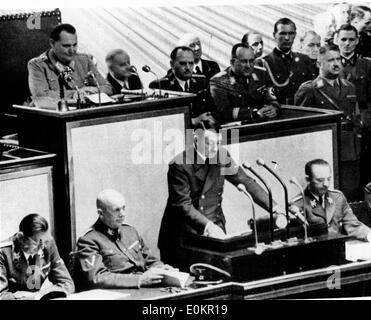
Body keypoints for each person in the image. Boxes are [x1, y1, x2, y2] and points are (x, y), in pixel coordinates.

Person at [158, 121, 287, 269]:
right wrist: (207, 226)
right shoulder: (180, 164)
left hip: (215, 227)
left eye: (218, 143)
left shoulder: (221, 155)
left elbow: (244, 181)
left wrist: (275, 207)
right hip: (186, 235)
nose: (214, 148)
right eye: (209, 143)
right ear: (195, 140)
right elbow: (182, 204)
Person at [294, 44, 361, 201]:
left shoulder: (349, 87)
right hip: (324, 149)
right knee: (327, 194)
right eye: (330, 60)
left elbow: (356, 118)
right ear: (319, 64)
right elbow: (301, 126)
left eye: (338, 59)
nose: (336, 63)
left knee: (351, 193)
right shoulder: (309, 89)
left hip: (349, 150)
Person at [74, 189, 173, 291]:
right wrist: (139, 279)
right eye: (116, 210)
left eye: (123, 208)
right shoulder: (88, 240)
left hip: (146, 289)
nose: (122, 214)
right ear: (101, 213)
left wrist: (161, 268)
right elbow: (97, 277)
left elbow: (149, 260)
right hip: (118, 293)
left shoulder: (130, 231)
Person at [289, 159, 371, 242]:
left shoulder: (337, 197)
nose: (326, 184)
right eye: (320, 180)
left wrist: (369, 235)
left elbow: (352, 225)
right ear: (308, 179)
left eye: (328, 179)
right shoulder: (297, 204)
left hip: (338, 248)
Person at [28, 23, 112, 100]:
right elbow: (41, 96)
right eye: (66, 46)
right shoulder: (38, 65)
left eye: (75, 45)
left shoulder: (84, 60)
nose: (72, 51)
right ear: (52, 43)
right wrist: (75, 93)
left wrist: (91, 90)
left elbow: (108, 88)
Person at [0, 214, 74, 300]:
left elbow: (67, 283)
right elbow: (1, 295)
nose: (42, 247)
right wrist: (28, 298)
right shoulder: (3, 252)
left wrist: (42, 295)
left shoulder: (48, 244)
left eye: (45, 241)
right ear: (21, 237)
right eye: (37, 242)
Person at [335, 24, 371, 191]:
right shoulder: (329, 63)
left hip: (363, 122)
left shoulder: (367, 65)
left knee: (364, 163)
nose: (347, 43)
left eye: (351, 39)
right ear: (336, 40)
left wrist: (366, 119)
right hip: (338, 122)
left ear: (357, 41)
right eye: (343, 39)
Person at [210, 43, 279, 124]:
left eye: (252, 61)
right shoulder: (219, 81)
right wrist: (255, 113)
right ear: (232, 62)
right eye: (244, 61)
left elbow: (272, 99)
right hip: (233, 128)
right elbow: (224, 112)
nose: (249, 66)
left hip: (263, 123)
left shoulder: (261, 73)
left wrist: (274, 107)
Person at [149, 46, 216, 126]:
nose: (188, 68)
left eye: (191, 63)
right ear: (172, 64)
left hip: (201, 132)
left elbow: (212, 109)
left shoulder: (201, 82)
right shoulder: (160, 86)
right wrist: (194, 121)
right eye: (183, 63)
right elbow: (161, 120)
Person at [261, 18, 316, 105]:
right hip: (280, 113)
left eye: (291, 33)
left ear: (295, 35)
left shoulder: (304, 60)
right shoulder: (264, 63)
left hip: (305, 112)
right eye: (282, 34)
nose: (287, 38)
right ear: (274, 35)